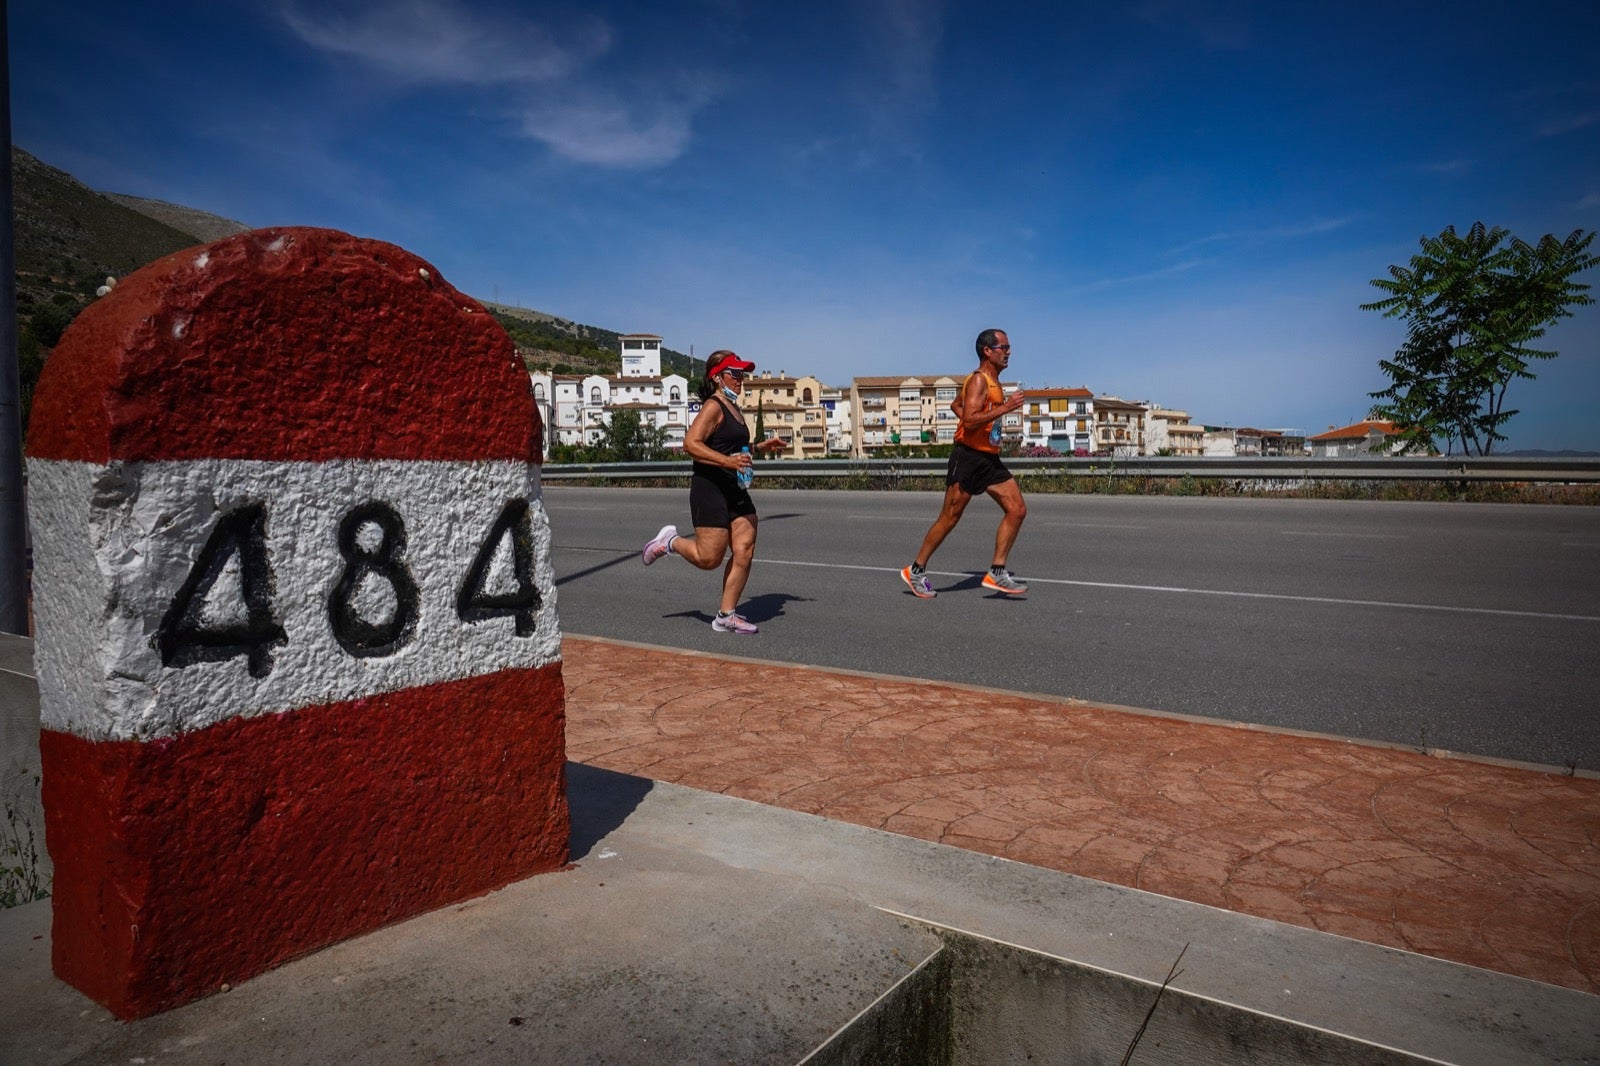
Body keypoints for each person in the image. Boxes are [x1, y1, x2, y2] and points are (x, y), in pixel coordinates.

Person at [641, 350, 787, 633]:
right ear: (718, 377)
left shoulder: (734, 408)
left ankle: (726, 615)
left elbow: (729, 446)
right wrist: (728, 462)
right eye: (735, 374)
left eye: (743, 374)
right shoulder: (714, 406)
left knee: (744, 547)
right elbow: (691, 444)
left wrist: (758, 447)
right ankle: (670, 541)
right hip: (709, 487)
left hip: (734, 485)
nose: (740, 379)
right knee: (710, 558)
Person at [901, 328, 1029, 598]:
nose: (1009, 352)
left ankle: (997, 571)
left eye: (1008, 347)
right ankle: (916, 570)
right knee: (950, 518)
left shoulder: (993, 381)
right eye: (1003, 347)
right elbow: (968, 418)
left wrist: (986, 425)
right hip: (969, 457)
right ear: (987, 351)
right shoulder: (979, 380)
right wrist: (1005, 409)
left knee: (1017, 509)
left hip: (989, 458)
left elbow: (957, 406)